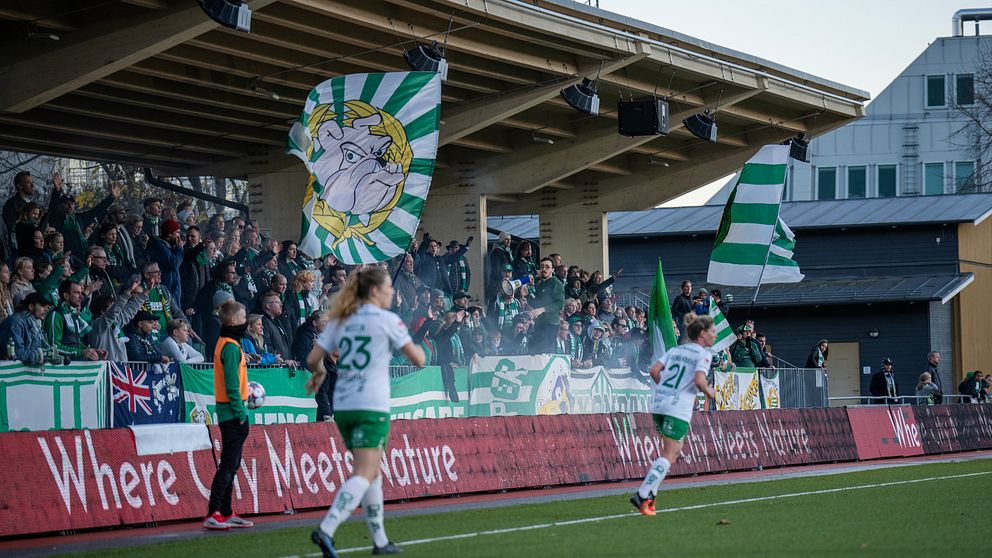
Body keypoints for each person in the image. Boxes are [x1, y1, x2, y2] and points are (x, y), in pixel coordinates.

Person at [306, 267, 425, 557]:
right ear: (375, 291)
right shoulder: (387, 320)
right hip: (372, 404)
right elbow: (419, 360)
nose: (392, 292)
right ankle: (327, 528)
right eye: (388, 288)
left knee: (372, 472)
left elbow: (312, 359)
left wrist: (320, 373)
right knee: (365, 471)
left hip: (344, 405)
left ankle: (380, 541)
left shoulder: (342, 319)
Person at [631, 312, 717, 516]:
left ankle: (649, 497)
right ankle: (643, 494)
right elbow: (699, 381)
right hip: (677, 408)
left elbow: (653, 371)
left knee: (674, 451)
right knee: (669, 454)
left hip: (659, 403)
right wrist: (711, 392)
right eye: (713, 331)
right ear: (702, 334)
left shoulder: (676, 350)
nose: (715, 335)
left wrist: (666, 391)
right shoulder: (703, 354)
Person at [203, 300, 254, 531]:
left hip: (229, 412)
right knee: (228, 466)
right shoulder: (231, 347)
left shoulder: (227, 343)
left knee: (231, 465)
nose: (246, 322)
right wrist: (241, 413)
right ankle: (213, 512)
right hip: (232, 414)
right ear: (234, 320)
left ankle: (225, 511)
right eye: (243, 318)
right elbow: (232, 385)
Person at [87, 281, 148, 362]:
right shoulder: (97, 325)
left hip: (120, 369)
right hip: (106, 371)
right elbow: (113, 312)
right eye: (111, 307)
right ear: (103, 311)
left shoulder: (116, 322)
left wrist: (147, 290)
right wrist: (128, 291)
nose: (117, 310)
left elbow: (130, 310)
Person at [44, 280, 104, 361]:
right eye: (77, 293)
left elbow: (75, 344)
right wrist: (80, 352)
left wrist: (92, 351)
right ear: (66, 295)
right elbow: (53, 347)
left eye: (81, 292)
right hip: (62, 368)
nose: (82, 297)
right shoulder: (56, 315)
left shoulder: (73, 314)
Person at [0, 293, 54, 364]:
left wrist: (48, 355)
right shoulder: (16, 322)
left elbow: (37, 348)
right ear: (31, 306)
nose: (46, 310)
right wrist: (40, 356)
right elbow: (18, 354)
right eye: (42, 306)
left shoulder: (35, 323)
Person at [529, 257, 564, 352]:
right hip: (539, 324)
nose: (544, 269)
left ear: (552, 269)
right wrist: (527, 295)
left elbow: (560, 304)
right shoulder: (540, 285)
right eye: (542, 267)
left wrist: (543, 309)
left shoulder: (556, 283)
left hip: (550, 324)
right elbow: (536, 304)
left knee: (546, 351)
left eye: (547, 267)